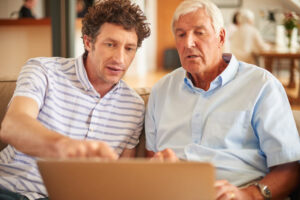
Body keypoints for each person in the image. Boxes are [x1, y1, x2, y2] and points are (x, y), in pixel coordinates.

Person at [145, 0, 300, 199]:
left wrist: (249, 195)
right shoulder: (161, 91)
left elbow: (289, 168)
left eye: (199, 33)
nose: (188, 43)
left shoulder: (262, 85)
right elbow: (150, 159)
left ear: (220, 37)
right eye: (181, 34)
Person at [0, 0, 150, 199]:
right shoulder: (43, 70)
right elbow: (13, 126)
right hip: (10, 189)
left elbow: (120, 178)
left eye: (129, 49)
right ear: (88, 42)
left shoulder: (134, 107)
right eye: (110, 44)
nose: (120, 59)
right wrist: (65, 146)